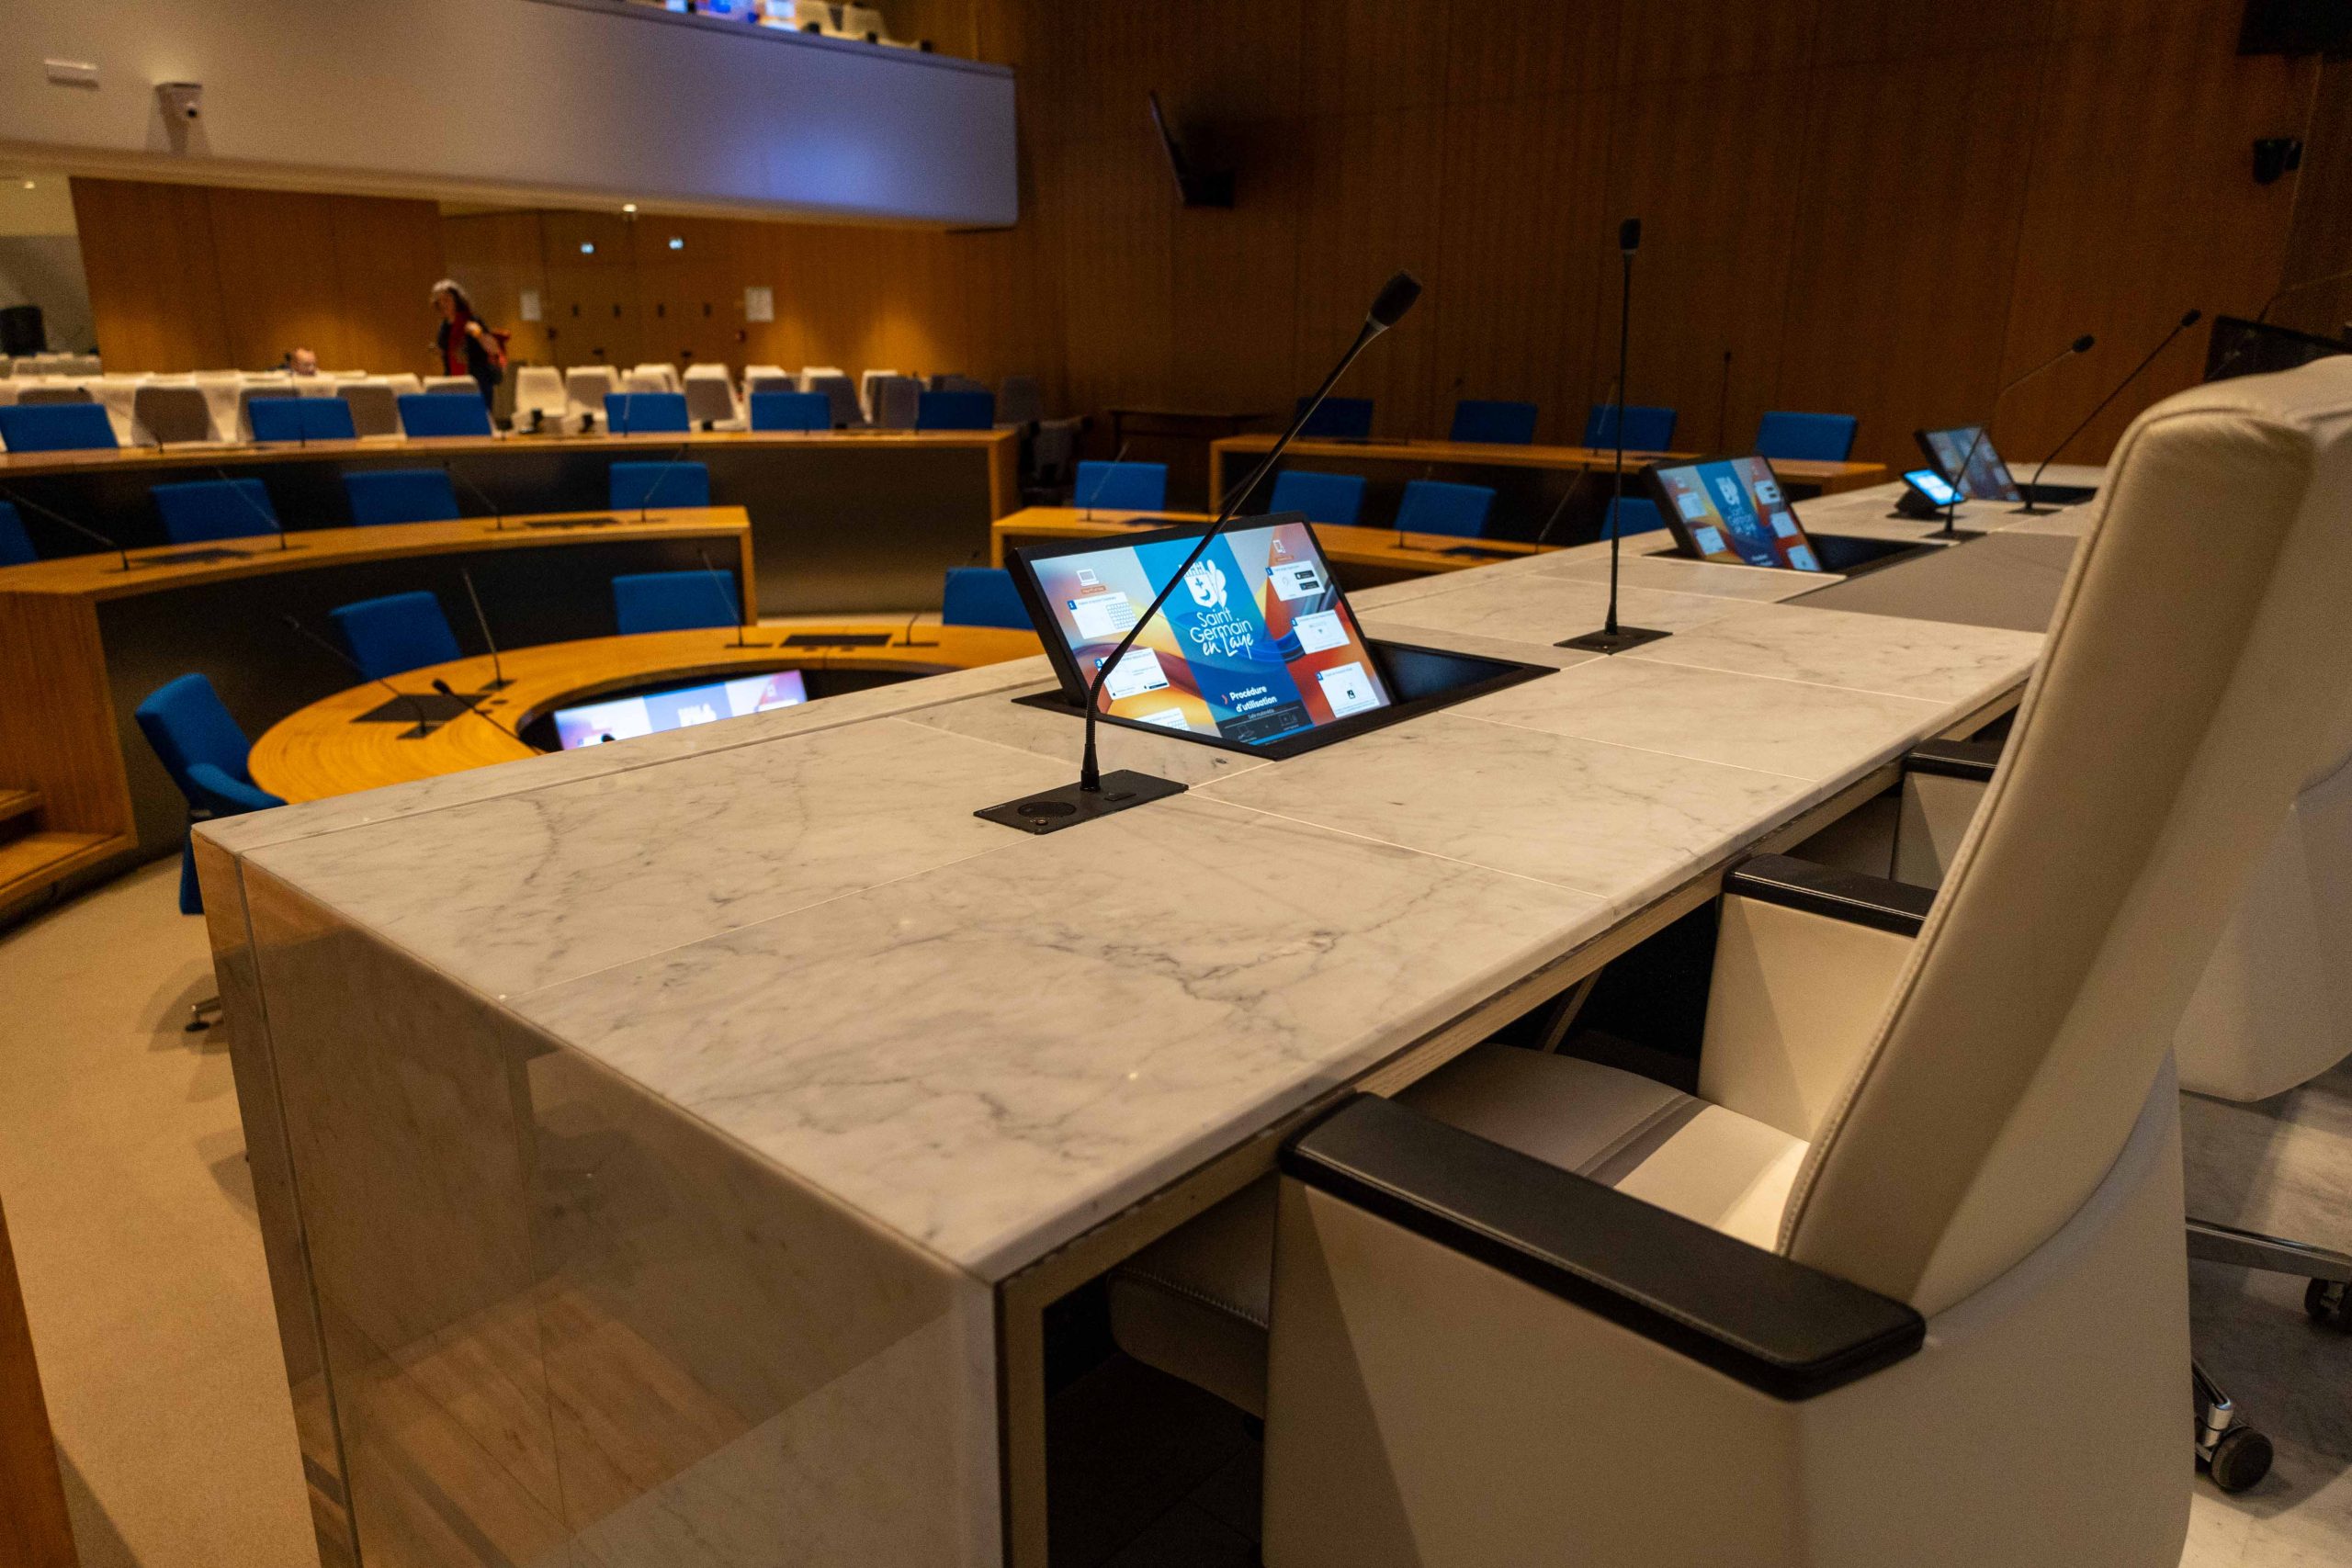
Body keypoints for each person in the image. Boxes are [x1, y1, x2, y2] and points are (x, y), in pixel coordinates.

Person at [428, 279, 508, 405]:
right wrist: (440, 351)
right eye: (439, 301)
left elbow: (493, 348)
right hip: (454, 383)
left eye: (447, 299)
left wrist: (478, 334)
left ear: (457, 300)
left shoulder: (471, 320)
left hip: (478, 382)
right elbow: (447, 354)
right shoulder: (444, 327)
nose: (443, 304)